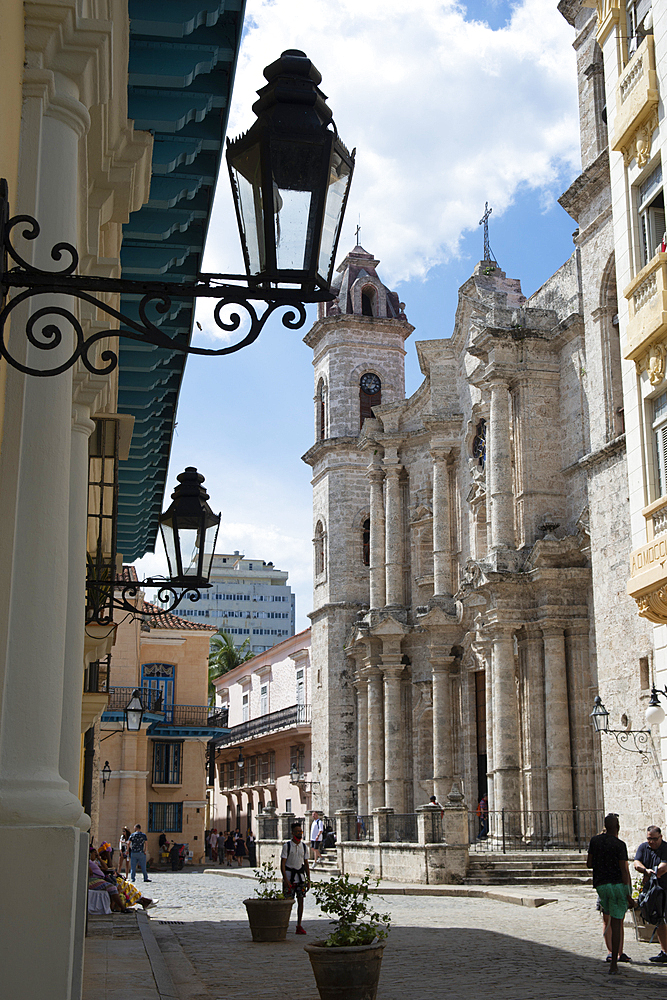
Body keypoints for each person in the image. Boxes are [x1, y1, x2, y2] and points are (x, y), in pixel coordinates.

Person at [587, 813, 635, 974]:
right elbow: (624, 870)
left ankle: (610, 954)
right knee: (617, 923)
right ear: (618, 827)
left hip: (601, 885)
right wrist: (629, 895)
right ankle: (614, 963)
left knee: (606, 919)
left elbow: (589, 863)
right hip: (617, 886)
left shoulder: (595, 841)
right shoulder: (619, 844)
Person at [634, 824, 667, 963]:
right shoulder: (643, 847)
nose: (651, 842)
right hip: (652, 891)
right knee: (658, 920)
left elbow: (663, 868)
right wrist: (645, 871)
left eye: (654, 839)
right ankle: (665, 951)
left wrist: (650, 873)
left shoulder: (666, 848)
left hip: (665, 889)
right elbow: (636, 863)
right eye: (649, 839)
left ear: (660, 837)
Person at [280, 822, 310, 935]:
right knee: (287, 903)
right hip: (289, 877)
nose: (299, 834)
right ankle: (284, 924)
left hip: (300, 878)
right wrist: (285, 880)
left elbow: (306, 863)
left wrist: (308, 880)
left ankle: (299, 924)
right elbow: (282, 863)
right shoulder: (287, 846)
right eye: (297, 832)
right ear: (292, 833)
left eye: (300, 832)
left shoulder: (304, 846)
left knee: (301, 901)